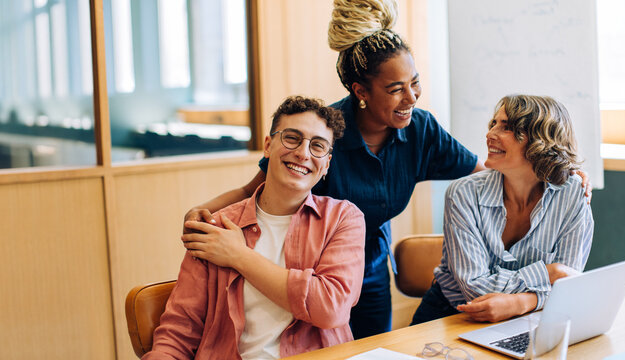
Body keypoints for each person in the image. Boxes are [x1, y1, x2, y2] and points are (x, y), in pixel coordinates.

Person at [183, 0, 590, 338]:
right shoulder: (326, 135)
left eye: (415, 82)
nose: (411, 97)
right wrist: (206, 210)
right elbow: (257, 186)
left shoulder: (422, 130)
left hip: (371, 261)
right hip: (308, 260)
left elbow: (490, 172)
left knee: (370, 347)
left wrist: (555, 172)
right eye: (395, 89)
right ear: (361, 92)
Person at [144, 96, 366, 360]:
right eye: (292, 138)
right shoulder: (217, 228)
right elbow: (178, 333)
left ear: (327, 164)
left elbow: (330, 307)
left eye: (317, 146)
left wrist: (239, 255)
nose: (303, 153)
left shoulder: (343, 219)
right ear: (268, 146)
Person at [411, 95, 594, 325]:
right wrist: (548, 273)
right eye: (493, 124)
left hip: (533, 315)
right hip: (453, 314)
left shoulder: (573, 195)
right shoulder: (463, 194)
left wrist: (523, 303)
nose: (490, 134)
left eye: (506, 127)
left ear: (540, 141)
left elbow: (567, 286)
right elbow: (476, 291)